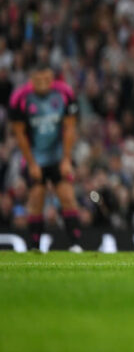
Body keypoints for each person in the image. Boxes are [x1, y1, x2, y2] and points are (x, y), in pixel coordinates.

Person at [9, 64, 83, 252]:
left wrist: (66, 159)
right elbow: (20, 134)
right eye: (39, 80)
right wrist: (31, 163)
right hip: (35, 156)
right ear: (31, 80)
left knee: (67, 196)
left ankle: (76, 245)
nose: (43, 83)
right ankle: (35, 247)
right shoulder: (20, 98)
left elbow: (70, 128)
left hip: (58, 155)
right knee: (36, 198)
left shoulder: (64, 93)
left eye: (47, 79)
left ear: (52, 78)